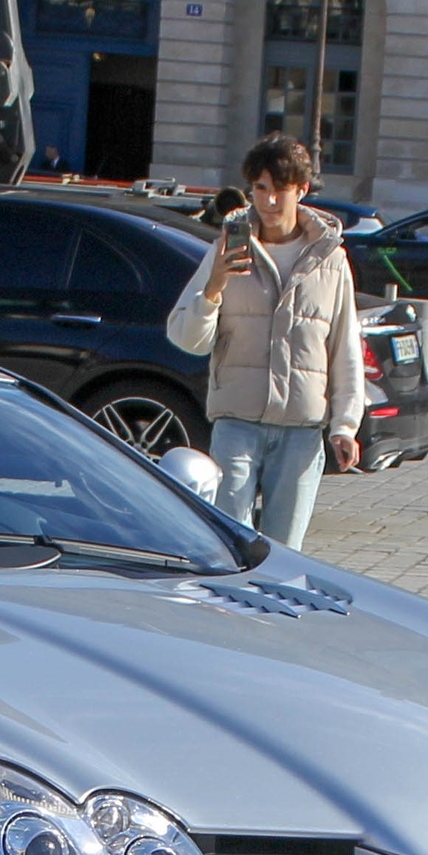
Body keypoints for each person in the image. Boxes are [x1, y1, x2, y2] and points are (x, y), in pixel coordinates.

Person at [165, 133, 364, 550]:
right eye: (260, 190)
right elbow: (186, 338)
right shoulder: (229, 247)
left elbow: (344, 345)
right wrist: (215, 287)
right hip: (237, 424)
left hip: (301, 430)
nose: (270, 203)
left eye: (281, 191)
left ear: (302, 190)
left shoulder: (330, 258)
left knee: (283, 556)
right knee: (227, 547)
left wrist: (345, 425)